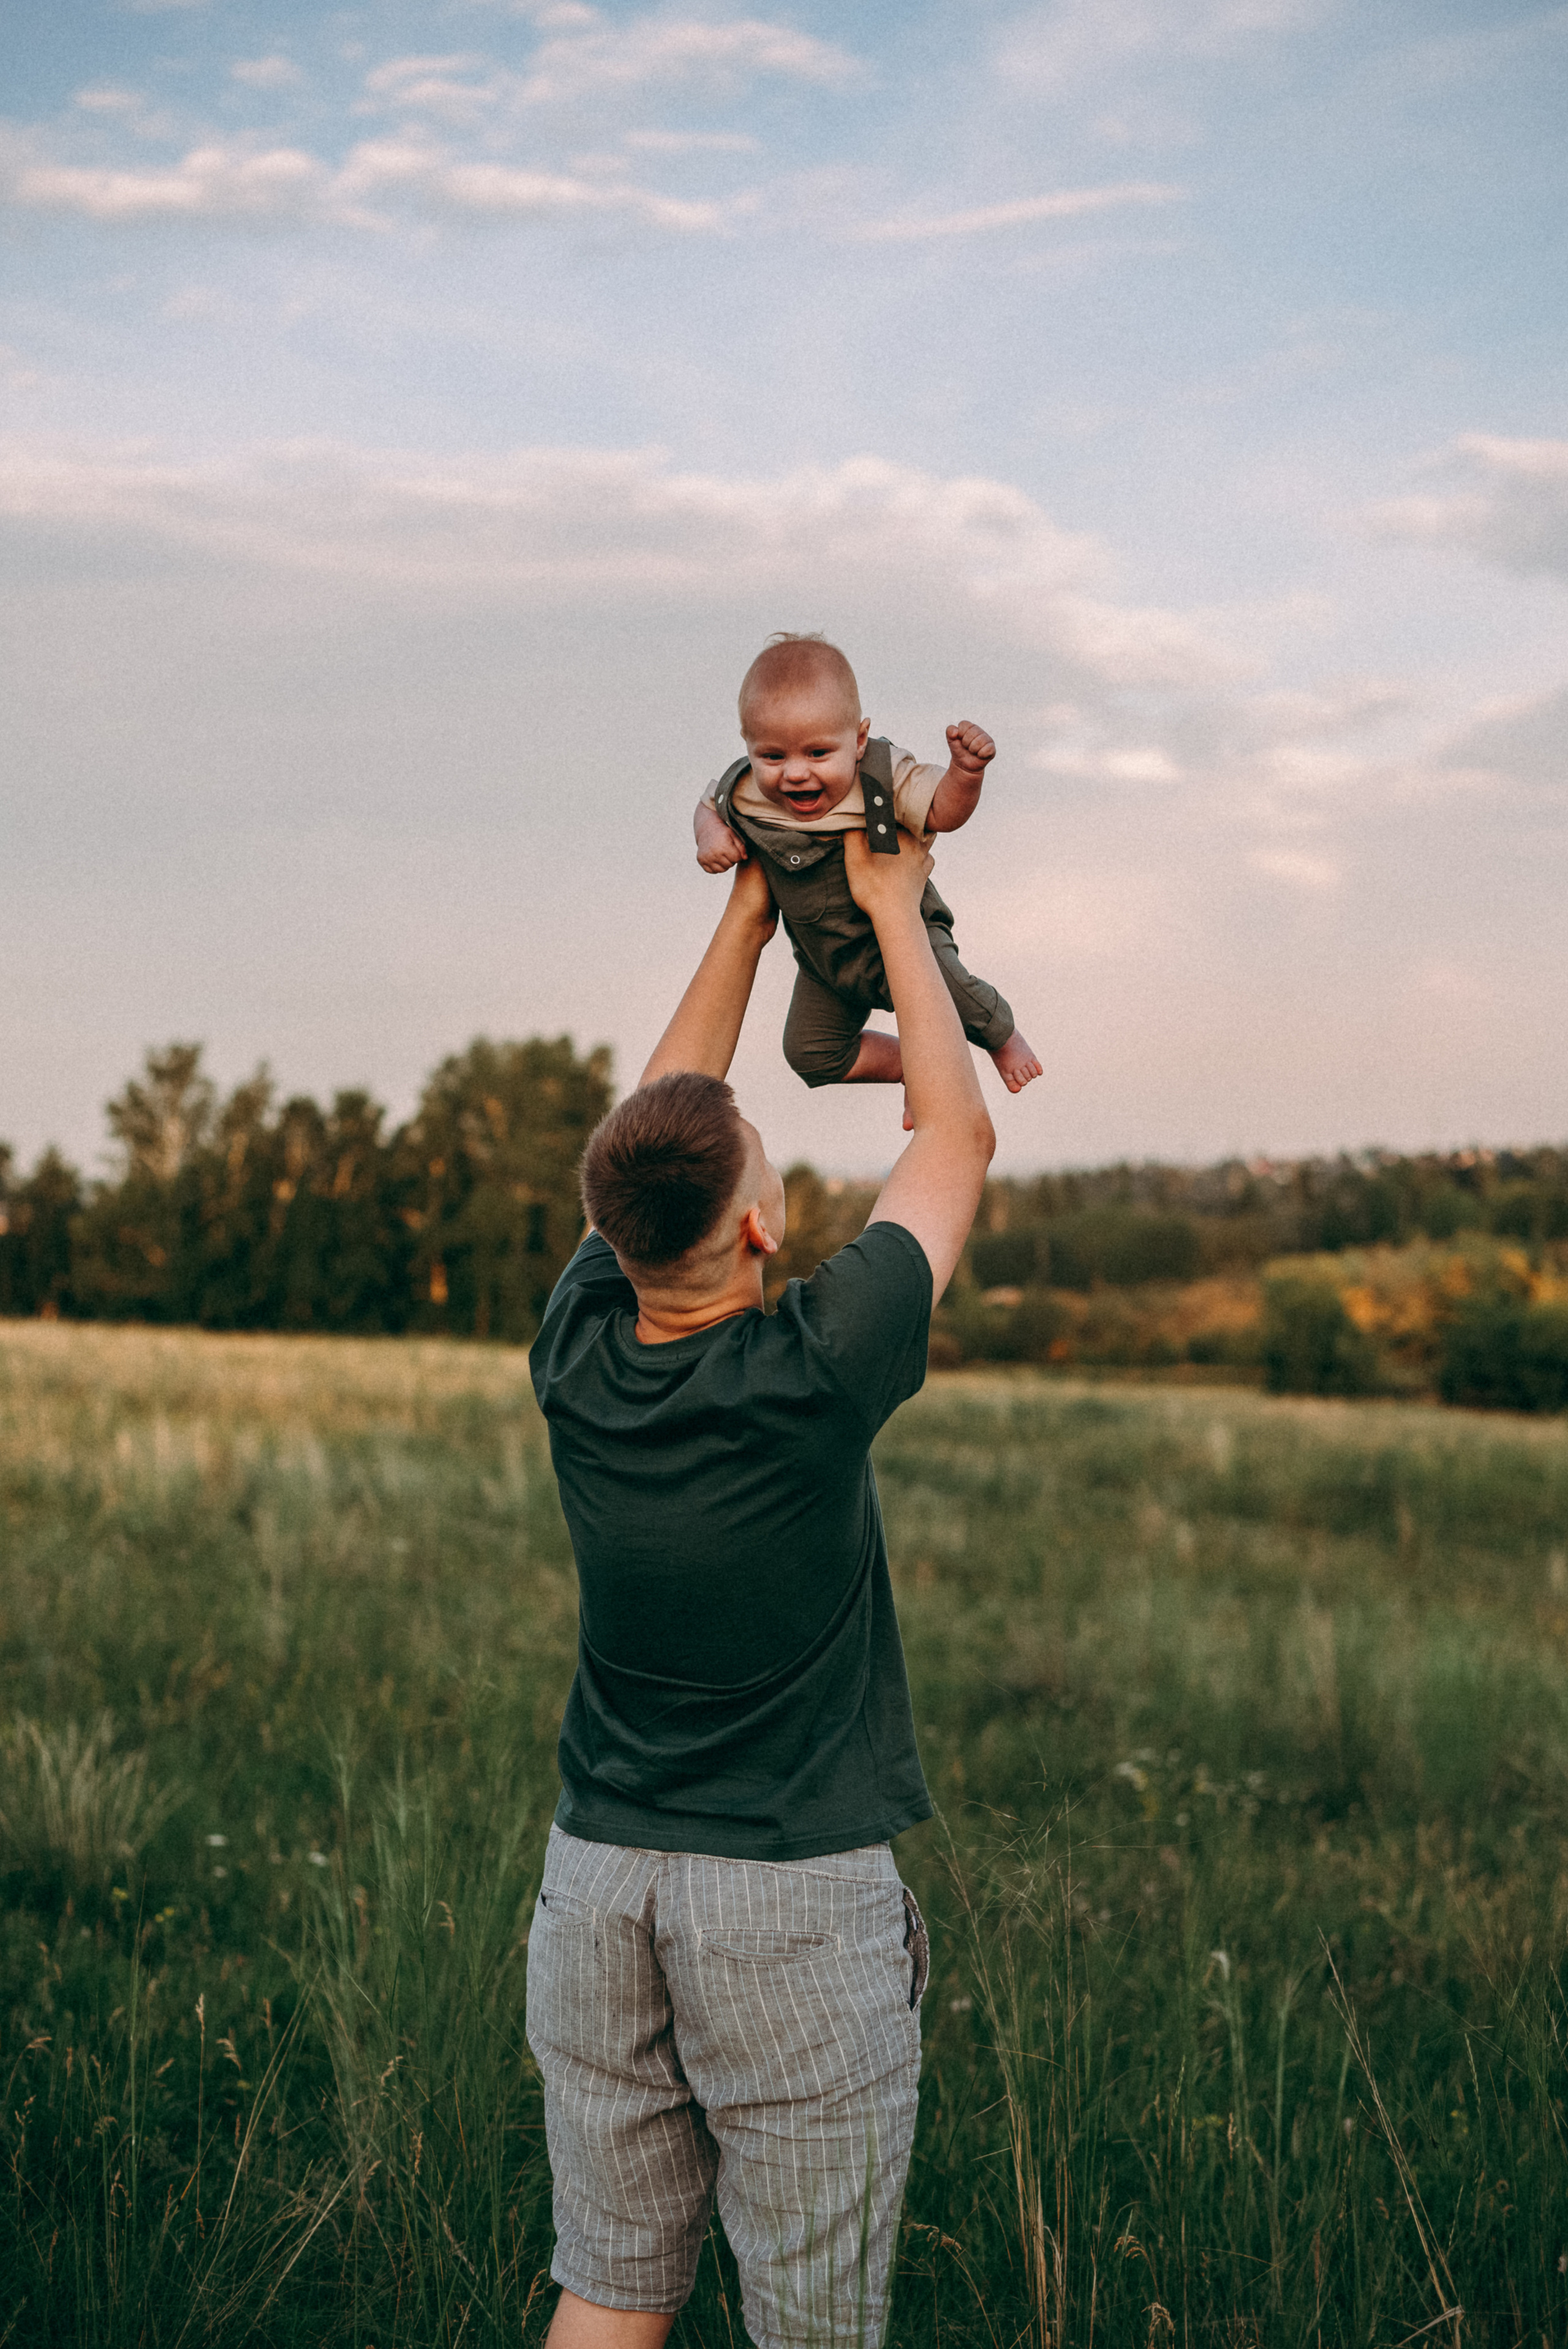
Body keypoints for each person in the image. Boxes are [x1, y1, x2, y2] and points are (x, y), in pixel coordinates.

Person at [525, 821, 996, 2349]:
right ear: (757, 1224)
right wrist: (885, 908)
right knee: (809, 2324)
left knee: (606, 2288)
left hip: (596, 1888)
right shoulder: (815, 1364)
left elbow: (648, 1127)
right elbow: (951, 1139)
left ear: (613, 1233)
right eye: (771, 1163)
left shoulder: (577, 1347)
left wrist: (748, 906)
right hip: (784, 1904)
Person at [692, 632, 1041, 1113]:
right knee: (810, 1054)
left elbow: (941, 811)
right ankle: (909, 1065)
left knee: (960, 996)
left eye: (818, 754)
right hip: (826, 963)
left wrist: (966, 775)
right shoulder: (746, 790)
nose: (794, 773)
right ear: (749, 747)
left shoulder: (881, 775)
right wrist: (710, 835)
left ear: (857, 740)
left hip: (903, 937)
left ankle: (1003, 1038)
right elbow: (709, 805)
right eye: (773, 756)